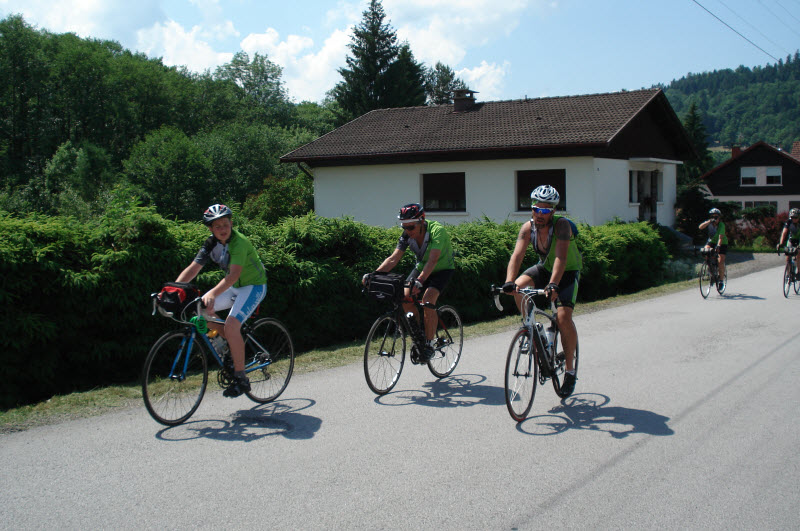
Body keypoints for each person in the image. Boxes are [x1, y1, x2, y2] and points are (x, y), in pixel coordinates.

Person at [175, 204, 267, 398]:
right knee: (200, 310)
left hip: (253, 286)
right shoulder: (211, 244)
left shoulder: (238, 242)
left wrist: (213, 294)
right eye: (217, 227)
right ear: (210, 229)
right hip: (234, 287)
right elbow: (193, 269)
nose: (223, 229)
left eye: (225, 224)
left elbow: (233, 275)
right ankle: (231, 348)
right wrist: (174, 289)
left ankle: (241, 379)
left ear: (231, 223)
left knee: (232, 325)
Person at [502, 185, 582, 396]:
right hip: (544, 268)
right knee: (517, 288)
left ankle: (570, 371)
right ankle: (531, 327)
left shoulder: (562, 226)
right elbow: (517, 256)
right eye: (536, 209)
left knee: (564, 318)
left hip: (566, 272)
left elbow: (561, 258)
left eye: (545, 211)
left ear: (553, 212)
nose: (540, 214)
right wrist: (510, 281)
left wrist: (553, 284)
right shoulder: (527, 228)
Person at [366, 203, 455, 361]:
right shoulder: (407, 235)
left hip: (442, 269)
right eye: (404, 227)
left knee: (428, 299)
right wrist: (374, 275)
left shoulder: (437, 231)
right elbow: (393, 259)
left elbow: (433, 260)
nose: (407, 231)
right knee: (405, 296)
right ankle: (418, 336)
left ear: (422, 221)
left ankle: (428, 344)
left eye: (411, 227)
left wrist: (420, 281)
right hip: (422, 267)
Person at [699, 207, 727, 290]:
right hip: (712, 241)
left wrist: (718, 246)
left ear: (719, 217)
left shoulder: (721, 225)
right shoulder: (709, 223)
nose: (715, 219)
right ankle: (710, 269)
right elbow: (700, 227)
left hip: (722, 242)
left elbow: (720, 237)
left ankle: (721, 280)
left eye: (716, 217)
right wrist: (709, 221)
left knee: (720, 261)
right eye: (713, 216)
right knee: (705, 251)